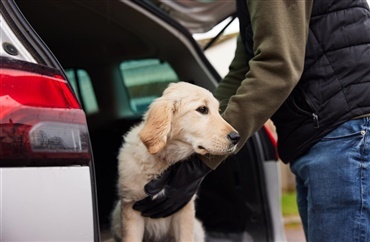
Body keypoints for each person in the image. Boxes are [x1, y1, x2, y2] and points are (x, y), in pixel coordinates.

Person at [133, 1, 370, 241]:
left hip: (343, 130)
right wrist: (201, 137)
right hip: (320, 132)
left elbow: (278, 65)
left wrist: (200, 164)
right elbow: (242, 71)